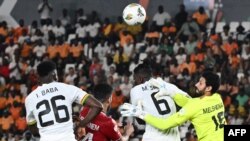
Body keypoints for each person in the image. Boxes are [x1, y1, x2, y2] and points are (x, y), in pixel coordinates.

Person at [120, 71, 225, 141]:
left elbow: (164, 124)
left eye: (201, 83)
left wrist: (140, 113)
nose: (197, 84)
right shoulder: (217, 98)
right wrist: (172, 93)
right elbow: (192, 104)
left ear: (208, 88)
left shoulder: (194, 106)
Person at [25, 60, 103, 141]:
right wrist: (81, 125)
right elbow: (97, 106)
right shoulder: (67, 88)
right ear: (54, 74)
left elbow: (34, 131)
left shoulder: (30, 99)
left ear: (38, 78)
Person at [129, 59, 189, 141]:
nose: (134, 82)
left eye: (135, 80)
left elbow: (140, 120)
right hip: (174, 138)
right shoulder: (168, 85)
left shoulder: (136, 90)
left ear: (140, 79)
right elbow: (190, 102)